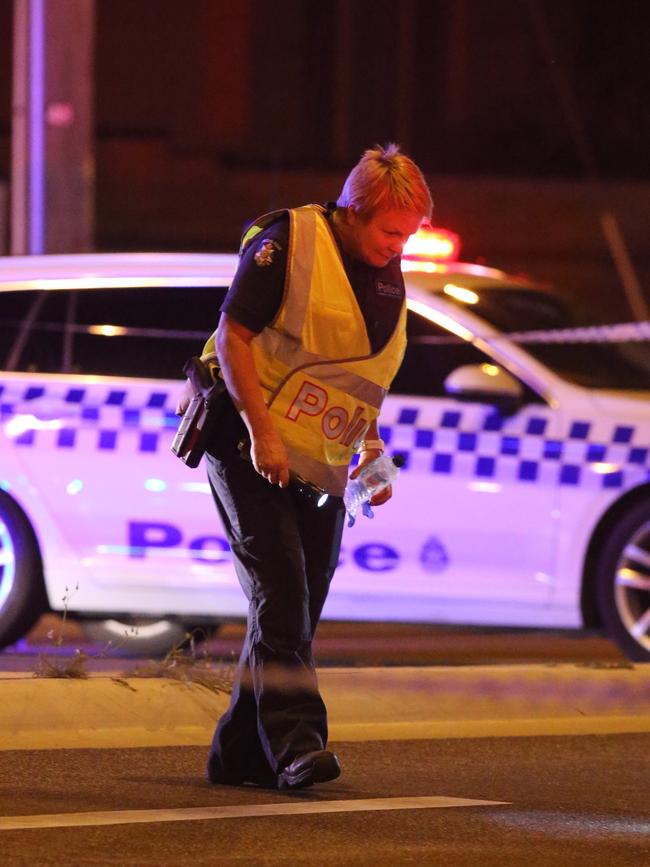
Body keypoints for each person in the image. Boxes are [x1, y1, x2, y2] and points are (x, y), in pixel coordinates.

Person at [198, 143, 432, 790]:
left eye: (409, 234)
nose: (399, 245)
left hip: (322, 461)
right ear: (354, 211)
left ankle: (240, 750)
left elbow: (361, 370)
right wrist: (262, 433)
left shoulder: (385, 269)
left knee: (301, 603)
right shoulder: (288, 241)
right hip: (252, 447)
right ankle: (300, 740)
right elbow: (232, 337)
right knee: (283, 592)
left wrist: (372, 448)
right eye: (391, 231)